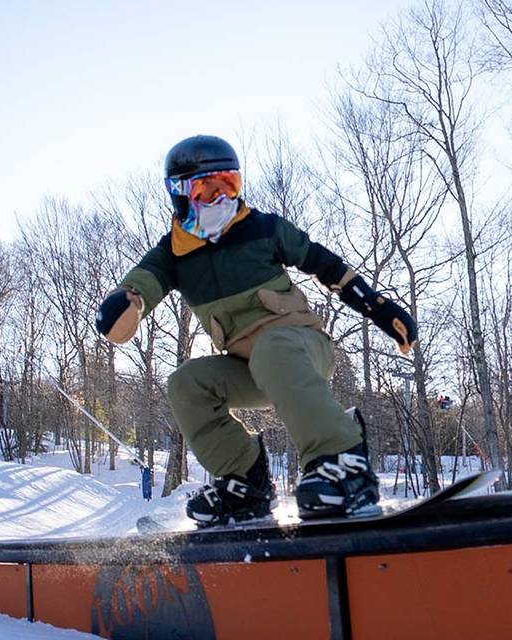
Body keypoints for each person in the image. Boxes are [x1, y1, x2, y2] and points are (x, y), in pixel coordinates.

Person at [95, 134, 417, 528]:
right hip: (251, 369)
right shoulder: (174, 255)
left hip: (303, 350)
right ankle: (244, 482)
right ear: (180, 195)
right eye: (206, 189)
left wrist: (377, 308)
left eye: (228, 186)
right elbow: (142, 284)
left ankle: (343, 461)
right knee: (186, 383)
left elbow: (324, 265)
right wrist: (126, 303)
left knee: (274, 348)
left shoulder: (262, 228)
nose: (220, 200)